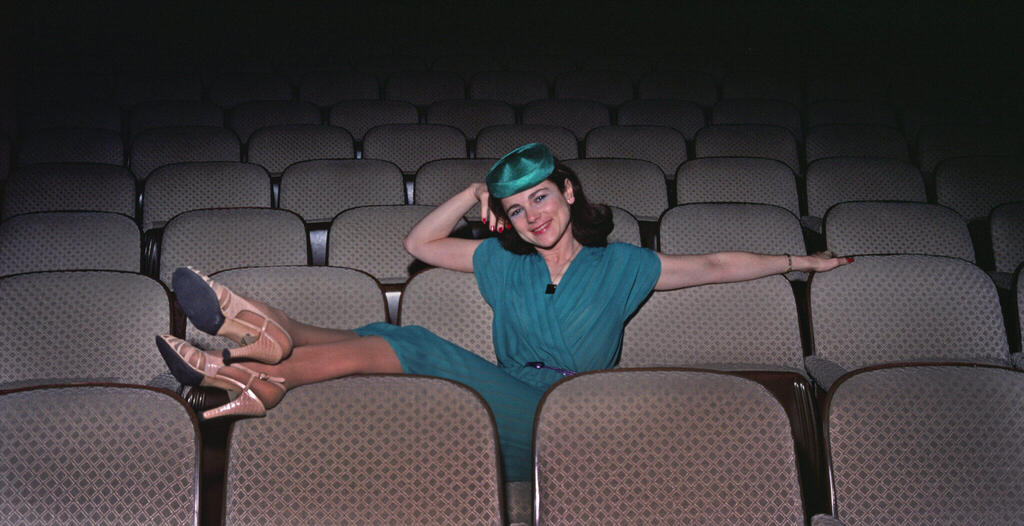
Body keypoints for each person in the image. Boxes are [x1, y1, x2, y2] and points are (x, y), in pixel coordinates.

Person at [156, 143, 851, 482]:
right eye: (516, 208)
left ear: (569, 193)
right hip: (502, 405)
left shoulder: (623, 266)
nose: (532, 216)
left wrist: (800, 262)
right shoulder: (501, 261)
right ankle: (258, 360)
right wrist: (470, 190)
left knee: (416, 341)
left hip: (576, 420)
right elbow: (418, 243)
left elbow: (715, 266)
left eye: (541, 199)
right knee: (383, 336)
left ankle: (262, 350)